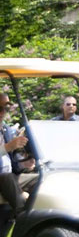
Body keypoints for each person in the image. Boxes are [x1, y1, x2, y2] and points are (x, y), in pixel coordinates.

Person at [0, 94, 27, 231]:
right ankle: (23, 218)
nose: (3, 112)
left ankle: (50, 212)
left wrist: (24, 164)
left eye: (6, 108)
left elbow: (10, 162)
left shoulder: (4, 129)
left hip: (9, 176)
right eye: (0, 108)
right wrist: (8, 147)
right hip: (3, 177)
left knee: (42, 178)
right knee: (6, 176)